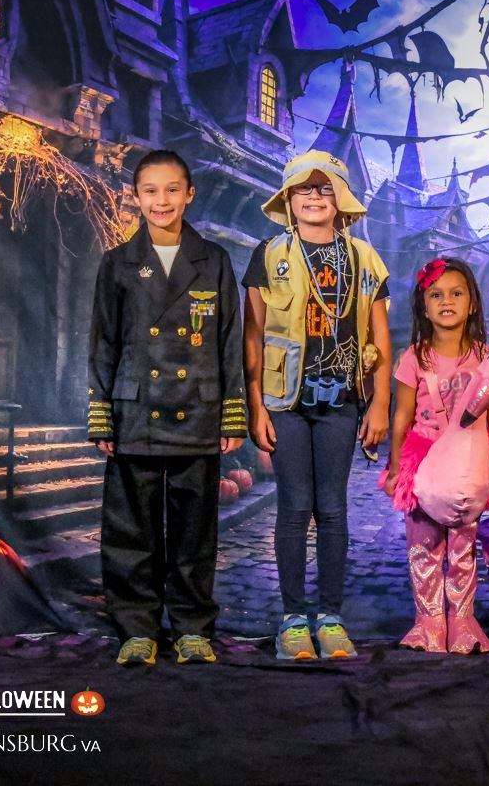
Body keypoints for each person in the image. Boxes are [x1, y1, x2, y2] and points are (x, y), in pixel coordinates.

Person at [88, 150, 246, 667]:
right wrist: (101, 411)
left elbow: (228, 340)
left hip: (196, 411)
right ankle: (136, 628)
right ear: (136, 197)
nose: (162, 200)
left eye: (172, 189)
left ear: (189, 194)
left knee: (193, 533)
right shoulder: (117, 262)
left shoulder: (214, 260)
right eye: (151, 191)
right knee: (131, 530)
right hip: (136, 412)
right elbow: (104, 343)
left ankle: (192, 628)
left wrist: (231, 412)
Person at [243, 150, 391, 660]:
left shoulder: (365, 260)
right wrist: (256, 406)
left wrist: (379, 406)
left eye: (324, 188)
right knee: (293, 507)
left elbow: (381, 341)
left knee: (332, 508)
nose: (312, 197)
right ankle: (291, 619)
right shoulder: (268, 255)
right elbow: (253, 334)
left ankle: (329, 616)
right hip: (285, 400)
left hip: (342, 400)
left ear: (340, 200)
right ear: (287, 199)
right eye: (302, 189)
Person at [382, 257, 489, 653]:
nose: (446, 302)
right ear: (424, 306)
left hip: (468, 470)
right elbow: (401, 418)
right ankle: (428, 624)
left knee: (462, 548)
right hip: (423, 468)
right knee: (423, 548)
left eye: (456, 294)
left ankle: (462, 623)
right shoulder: (413, 359)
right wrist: (394, 468)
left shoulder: (484, 358)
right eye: (436, 295)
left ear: (472, 303)